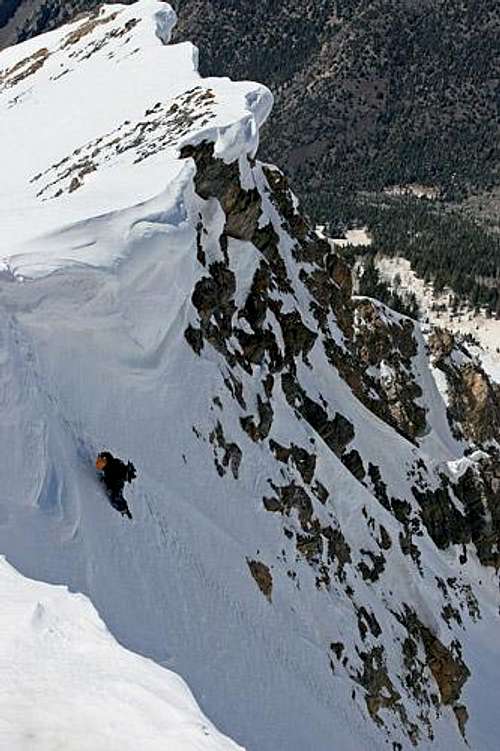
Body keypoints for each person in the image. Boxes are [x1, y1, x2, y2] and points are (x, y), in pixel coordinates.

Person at [95, 451, 137, 519]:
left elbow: (118, 496)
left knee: (114, 496)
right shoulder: (117, 465)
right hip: (107, 477)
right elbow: (109, 456)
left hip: (108, 481)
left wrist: (124, 509)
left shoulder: (119, 482)